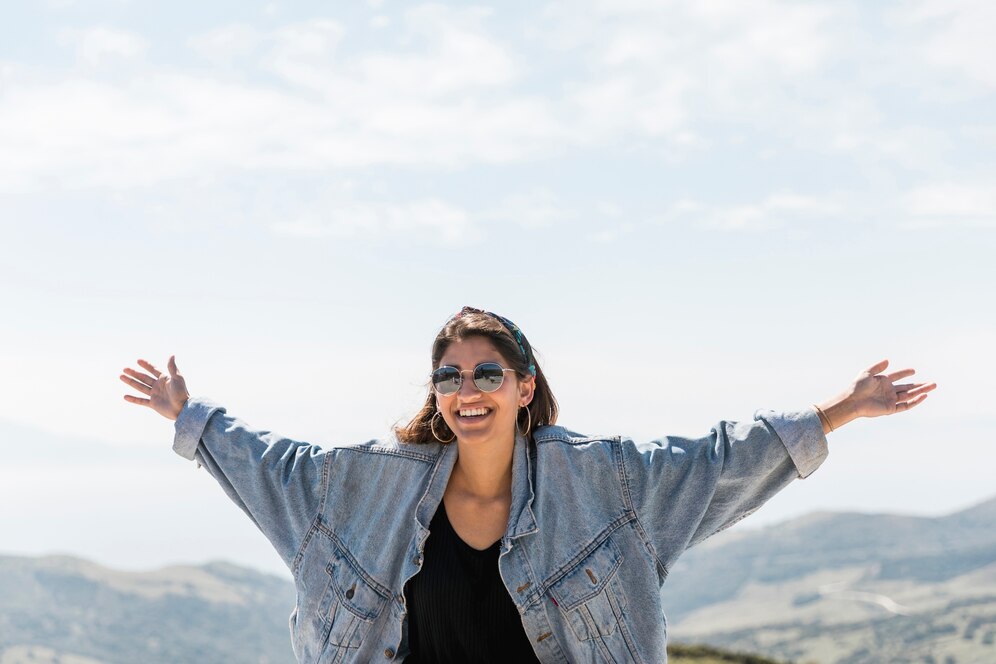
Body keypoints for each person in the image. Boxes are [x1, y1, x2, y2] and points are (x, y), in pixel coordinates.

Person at [120, 306, 935, 663]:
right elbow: (277, 467)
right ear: (434, 392)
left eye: (485, 371)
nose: (464, 388)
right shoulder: (363, 489)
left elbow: (719, 457)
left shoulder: (608, 484)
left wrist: (844, 409)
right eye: (448, 374)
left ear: (522, 386)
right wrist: (190, 418)